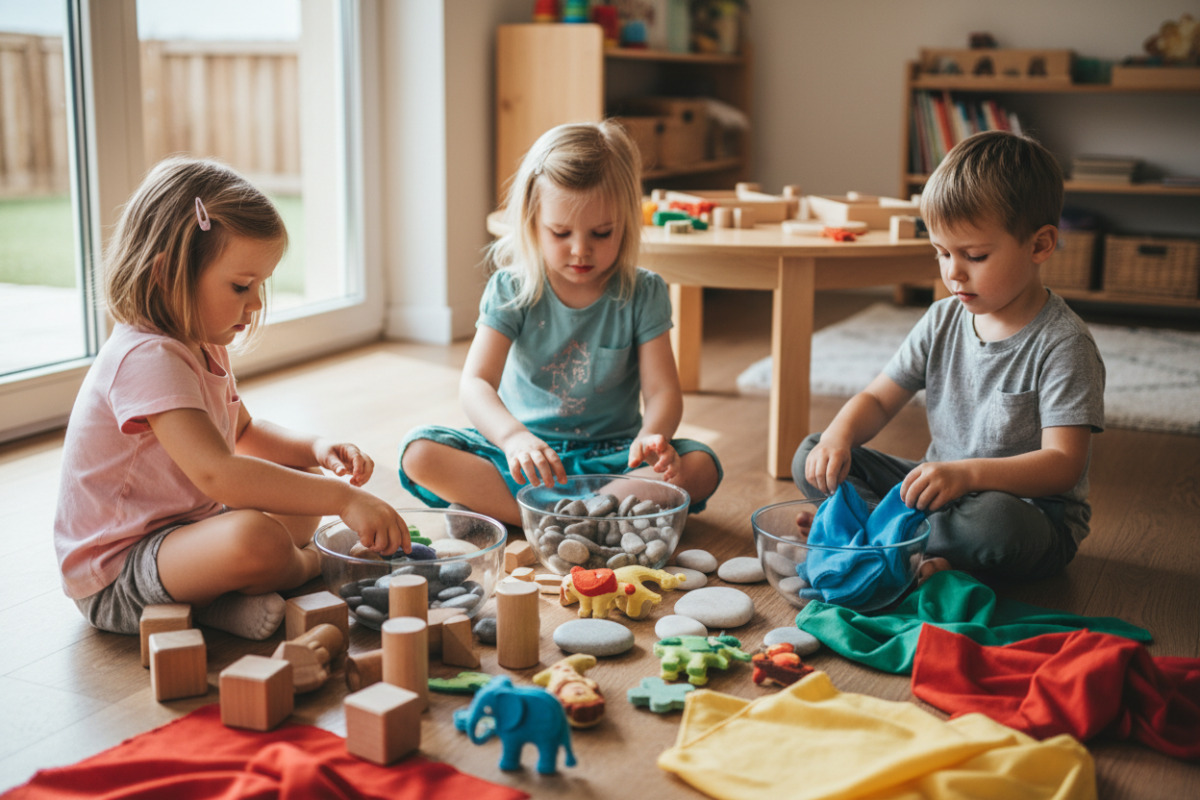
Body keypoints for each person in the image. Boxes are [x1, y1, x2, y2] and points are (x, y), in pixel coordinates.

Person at [54, 157, 410, 641]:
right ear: (166, 275)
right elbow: (218, 473)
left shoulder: (202, 340)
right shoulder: (145, 357)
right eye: (242, 286)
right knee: (255, 537)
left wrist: (315, 449)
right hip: (117, 574)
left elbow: (242, 432)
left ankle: (218, 602)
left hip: (186, 532)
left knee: (300, 485)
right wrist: (343, 498)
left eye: (260, 285)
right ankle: (313, 565)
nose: (256, 302)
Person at [795, 130, 1104, 582]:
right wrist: (838, 437)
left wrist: (967, 476)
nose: (953, 272)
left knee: (996, 527)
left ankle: (872, 533)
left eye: (974, 255)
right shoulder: (942, 319)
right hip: (940, 490)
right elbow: (880, 400)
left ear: (1039, 245)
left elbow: (1062, 465)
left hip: (1026, 514)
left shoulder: (1064, 344)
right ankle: (898, 539)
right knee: (813, 453)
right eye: (941, 252)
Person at [399, 121, 722, 526]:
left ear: (626, 221)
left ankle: (538, 517)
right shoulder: (511, 287)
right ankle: (597, 522)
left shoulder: (644, 291)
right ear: (533, 221)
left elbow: (662, 391)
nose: (580, 250)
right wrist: (512, 438)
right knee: (420, 453)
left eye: (602, 233)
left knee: (700, 464)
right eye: (561, 232)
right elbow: (475, 383)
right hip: (524, 457)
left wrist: (652, 436)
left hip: (614, 457)